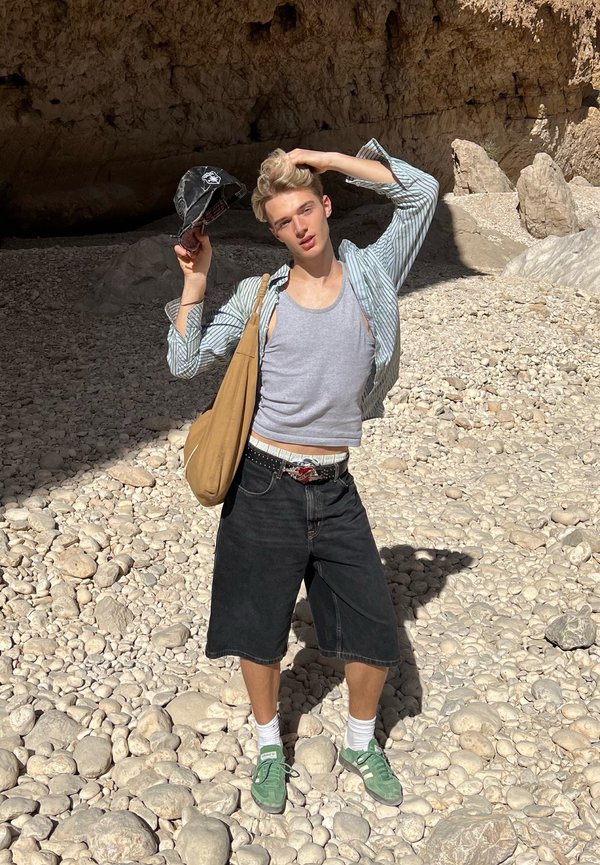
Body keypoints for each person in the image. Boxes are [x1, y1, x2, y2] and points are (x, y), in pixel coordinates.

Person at [165, 139, 438, 814]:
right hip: (262, 482)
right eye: (284, 221)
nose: (300, 227)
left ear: (325, 205)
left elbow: (422, 193)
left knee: (374, 629)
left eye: (306, 210)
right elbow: (185, 362)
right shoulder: (262, 297)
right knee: (257, 628)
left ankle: (360, 742)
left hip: (336, 485)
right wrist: (195, 283)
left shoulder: (373, 272)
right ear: (275, 231)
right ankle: (268, 744)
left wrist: (326, 157)